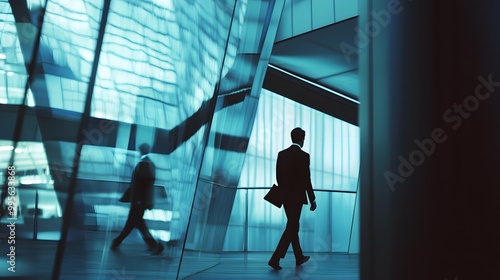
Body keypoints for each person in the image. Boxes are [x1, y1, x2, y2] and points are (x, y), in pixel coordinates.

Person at [268, 127, 317, 270]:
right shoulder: (304, 156)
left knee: (293, 225)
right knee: (292, 226)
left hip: (284, 196)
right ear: (302, 139)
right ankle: (275, 258)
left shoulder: (281, 154)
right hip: (297, 197)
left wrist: (284, 190)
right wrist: (312, 198)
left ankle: (298, 257)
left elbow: (278, 176)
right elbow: (306, 179)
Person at [111, 143, 164, 255]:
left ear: (142, 151)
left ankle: (117, 242)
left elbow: (141, 186)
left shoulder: (144, 164)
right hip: (140, 201)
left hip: (139, 201)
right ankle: (153, 245)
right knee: (137, 223)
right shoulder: (148, 163)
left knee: (132, 223)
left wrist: (139, 200)